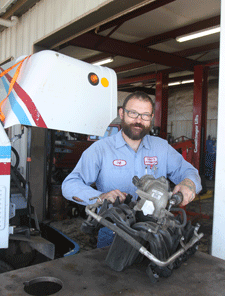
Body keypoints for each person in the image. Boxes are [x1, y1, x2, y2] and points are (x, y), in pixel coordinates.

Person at [62, 91, 202, 208]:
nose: (139, 120)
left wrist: (189, 183)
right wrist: (101, 197)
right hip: (113, 227)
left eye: (145, 115)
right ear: (122, 113)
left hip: (154, 228)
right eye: (133, 113)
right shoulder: (101, 149)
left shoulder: (162, 148)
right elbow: (70, 184)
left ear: (151, 117)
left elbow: (189, 172)